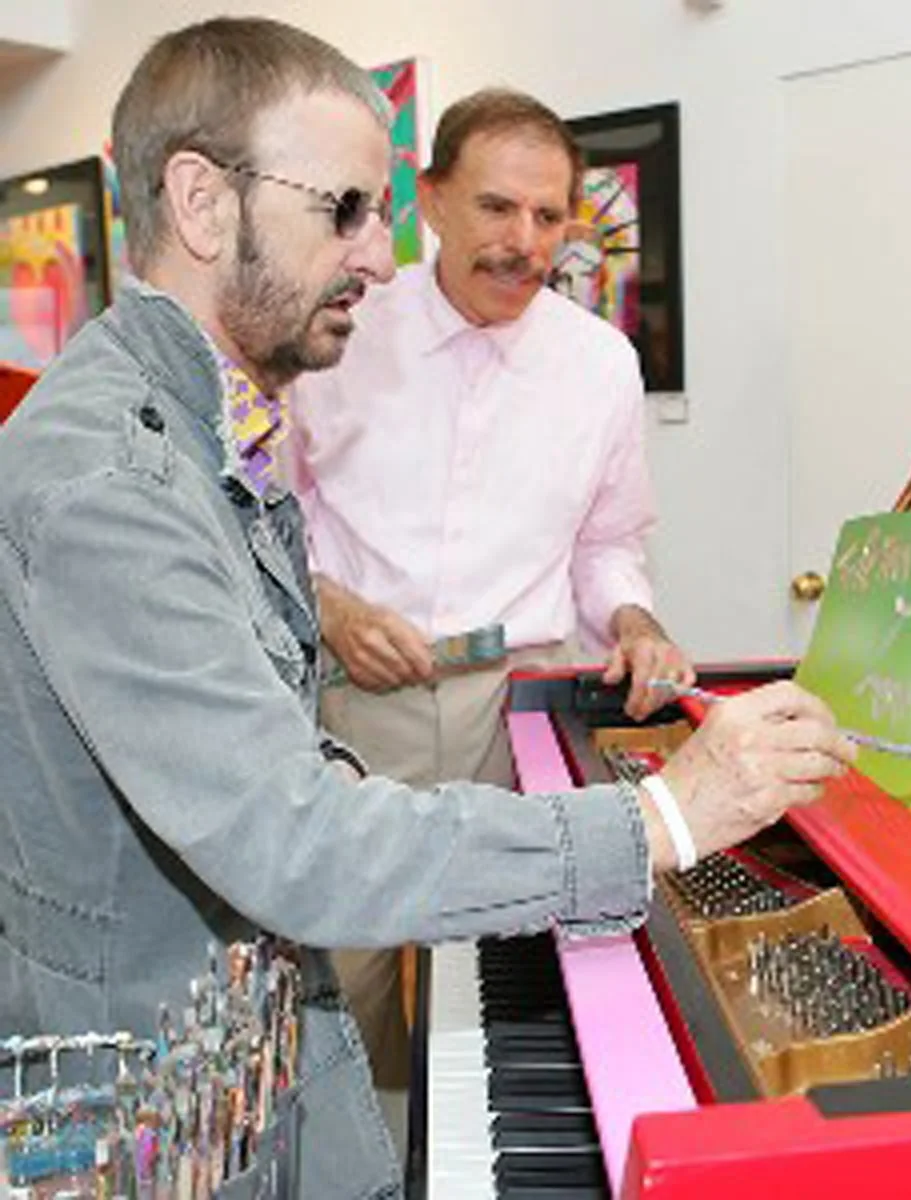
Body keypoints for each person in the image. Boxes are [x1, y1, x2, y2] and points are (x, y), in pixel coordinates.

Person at [0, 18, 853, 1200]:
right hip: (156, 1103)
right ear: (200, 203)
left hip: (254, 1018)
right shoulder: (112, 480)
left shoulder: (194, 419)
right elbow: (296, 845)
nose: (377, 255)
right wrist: (665, 816)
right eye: (344, 209)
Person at [287, 87, 692, 1135]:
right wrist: (328, 606)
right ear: (431, 201)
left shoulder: (599, 365)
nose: (525, 243)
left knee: (508, 986)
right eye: (497, 208)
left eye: (549, 216)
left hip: (517, 715)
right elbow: (270, 513)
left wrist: (635, 620)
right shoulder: (337, 334)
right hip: (351, 705)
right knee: (341, 989)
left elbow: (607, 542)